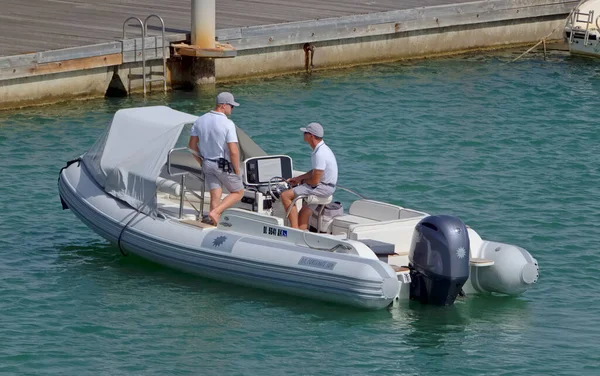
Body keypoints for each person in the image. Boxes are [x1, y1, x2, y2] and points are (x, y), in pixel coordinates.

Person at [188, 92, 244, 225]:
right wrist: (237, 170)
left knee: (215, 195)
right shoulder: (228, 123)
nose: (232, 109)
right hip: (222, 165)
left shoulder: (200, 120)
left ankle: (214, 223)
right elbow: (233, 151)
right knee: (238, 192)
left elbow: (191, 145)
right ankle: (216, 212)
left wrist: (201, 162)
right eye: (232, 106)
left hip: (207, 163)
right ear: (224, 105)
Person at [281, 122, 338, 230]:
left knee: (285, 196)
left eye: (305, 133)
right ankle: (302, 234)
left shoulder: (319, 153)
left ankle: (294, 229)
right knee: (304, 212)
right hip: (328, 187)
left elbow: (315, 181)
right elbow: (315, 171)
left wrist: (302, 183)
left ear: (311, 136)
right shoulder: (324, 149)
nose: (303, 135)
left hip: (322, 187)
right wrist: (299, 178)